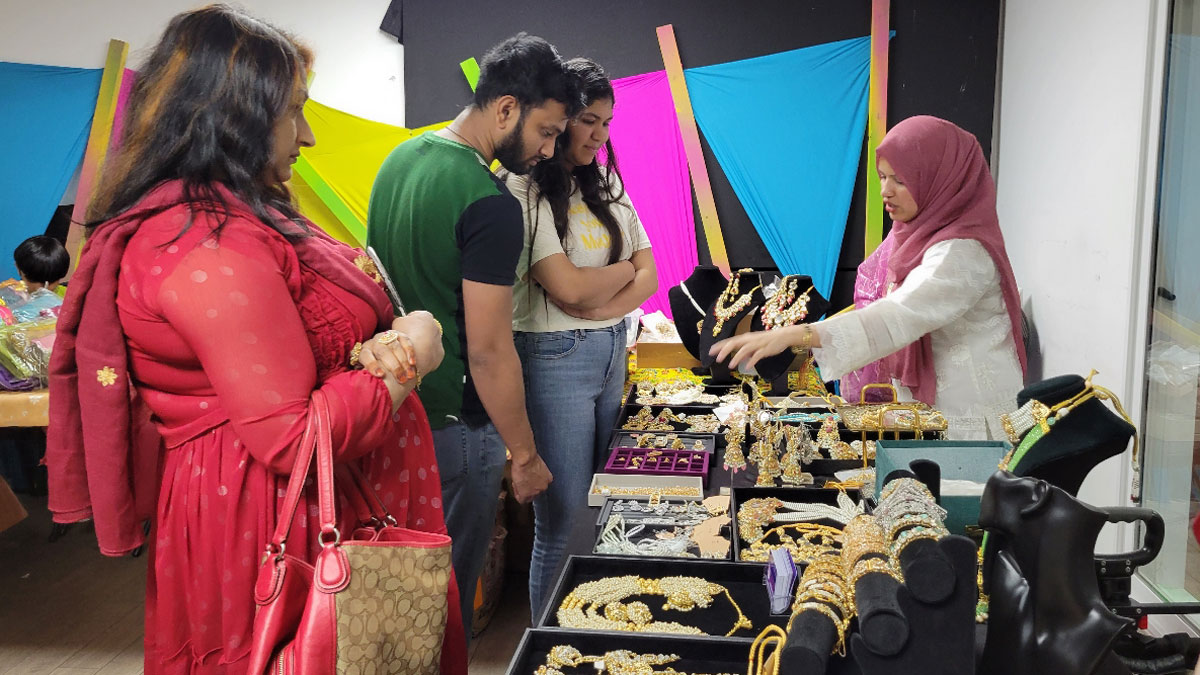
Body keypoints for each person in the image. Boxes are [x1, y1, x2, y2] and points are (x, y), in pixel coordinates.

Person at [45, 6, 462, 674]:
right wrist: (414, 349)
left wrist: (378, 345)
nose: (308, 135)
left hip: (311, 502)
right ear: (233, 116)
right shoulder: (205, 242)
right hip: (271, 519)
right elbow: (293, 437)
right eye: (293, 111)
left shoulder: (245, 212)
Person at [366, 32, 580, 638]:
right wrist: (526, 457)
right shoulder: (488, 201)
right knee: (445, 607)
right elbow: (488, 351)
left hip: (391, 410)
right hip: (455, 428)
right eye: (545, 131)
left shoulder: (399, 159)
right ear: (506, 108)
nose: (548, 150)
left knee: (393, 600)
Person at [711, 115, 1027, 440]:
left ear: (940, 179)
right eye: (882, 177)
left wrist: (798, 334)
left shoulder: (962, 250)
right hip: (931, 416)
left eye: (901, 180)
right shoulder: (914, 237)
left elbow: (901, 313)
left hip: (972, 420)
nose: (885, 191)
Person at [505, 57, 658, 616]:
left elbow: (650, 274)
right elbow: (566, 284)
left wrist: (598, 302)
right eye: (588, 120)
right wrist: (619, 276)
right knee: (563, 519)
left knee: (608, 504)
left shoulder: (605, 179)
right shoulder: (525, 185)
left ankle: (593, 625)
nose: (598, 135)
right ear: (561, 117)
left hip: (612, 346)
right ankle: (550, 644)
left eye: (607, 122)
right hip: (554, 356)